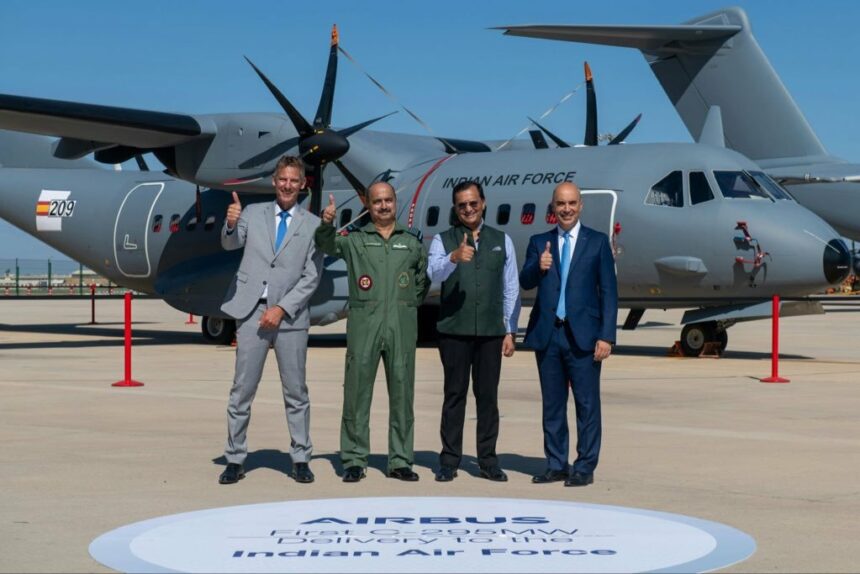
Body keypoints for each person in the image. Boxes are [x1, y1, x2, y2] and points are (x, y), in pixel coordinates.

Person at [218, 155, 323, 485]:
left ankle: (301, 457)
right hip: (251, 312)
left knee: (296, 392)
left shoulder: (313, 225)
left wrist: (282, 308)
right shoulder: (252, 213)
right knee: (242, 390)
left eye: (295, 180)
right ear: (274, 182)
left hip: (290, 317)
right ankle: (235, 458)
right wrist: (231, 223)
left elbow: (311, 275)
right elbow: (229, 243)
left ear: (302, 184)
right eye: (283, 179)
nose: (288, 185)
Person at [314, 182, 429, 483]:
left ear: (395, 202)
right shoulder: (355, 241)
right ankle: (354, 459)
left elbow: (420, 281)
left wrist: (405, 307)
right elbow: (325, 245)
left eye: (388, 200)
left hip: (401, 328)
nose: (383, 206)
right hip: (365, 327)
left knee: (403, 396)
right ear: (369, 205)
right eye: (377, 201)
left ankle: (401, 461)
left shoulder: (412, 242)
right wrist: (327, 223)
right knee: (356, 394)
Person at [519, 182, 618, 487]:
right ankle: (556, 463)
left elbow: (609, 292)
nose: (566, 209)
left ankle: (585, 466)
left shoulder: (597, 242)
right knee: (552, 404)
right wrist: (539, 265)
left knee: (587, 405)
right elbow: (524, 280)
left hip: (585, 337)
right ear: (553, 206)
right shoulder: (539, 242)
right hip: (549, 335)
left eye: (572, 203)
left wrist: (606, 336)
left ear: (580, 206)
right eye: (561, 204)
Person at [427, 180, 520, 482]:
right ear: (455, 208)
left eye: (473, 203)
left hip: (491, 331)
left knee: (487, 397)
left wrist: (510, 329)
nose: (468, 209)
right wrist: (454, 258)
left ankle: (488, 460)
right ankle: (449, 460)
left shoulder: (502, 240)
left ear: (483, 203)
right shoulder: (443, 241)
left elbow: (510, 286)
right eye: (462, 205)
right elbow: (433, 273)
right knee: (454, 395)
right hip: (455, 330)